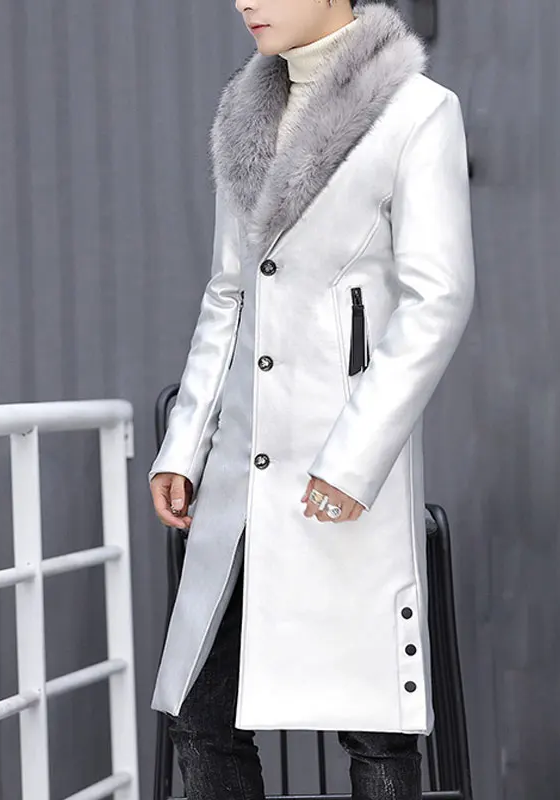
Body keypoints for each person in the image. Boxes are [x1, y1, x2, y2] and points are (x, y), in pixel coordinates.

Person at [149, 0, 475, 796]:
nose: (245, 2)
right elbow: (229, 292)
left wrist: (355, 459)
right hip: (240, 470)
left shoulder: (417, 110)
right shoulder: (244, 117)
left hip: (340, 465)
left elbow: (439, 297)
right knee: (201, 713)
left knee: (374, 730)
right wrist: (185, 444)